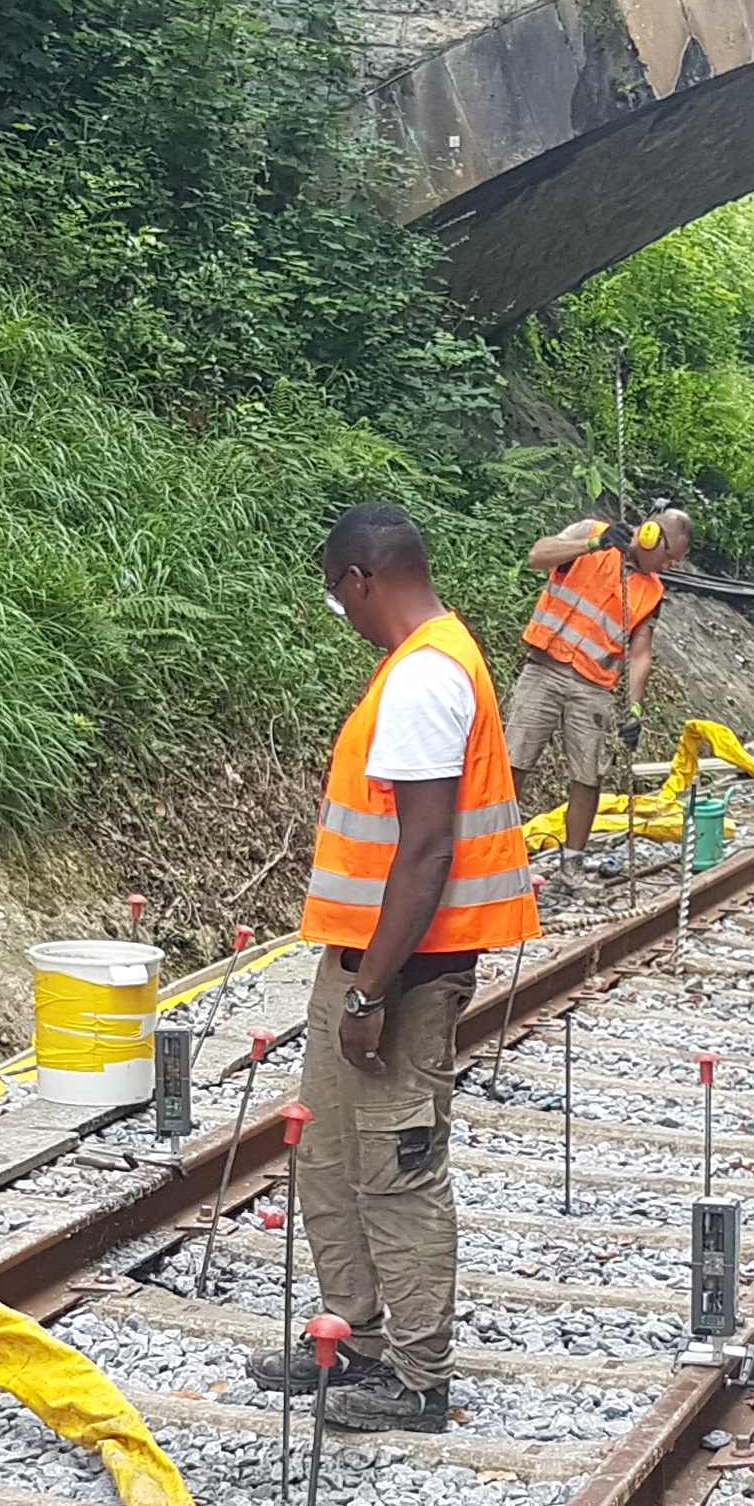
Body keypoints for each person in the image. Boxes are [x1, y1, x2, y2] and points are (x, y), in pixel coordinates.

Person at [262, 505, 540, 1432]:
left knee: (397, 1171)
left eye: (336, 594)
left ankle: (418, 1379)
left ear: (358, 582)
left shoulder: (424, 679)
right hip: (363, 962)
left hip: (403, 974)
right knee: (333, 1165)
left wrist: (372, 991)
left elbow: (425, 854)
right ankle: (356, 1340)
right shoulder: (422, 664)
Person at [507, 505, 687, 881]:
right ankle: (494, 850)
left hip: (594, 687)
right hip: (544, 668)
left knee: (589, 776)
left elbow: (640, 653)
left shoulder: (651, 591)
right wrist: (593, 543)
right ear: (651, 535)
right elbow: (538, 555)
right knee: (513, 762)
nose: (668, 567)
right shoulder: (594, 532)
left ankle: (572, 863)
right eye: (668, 558)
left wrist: (635, 707)